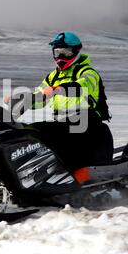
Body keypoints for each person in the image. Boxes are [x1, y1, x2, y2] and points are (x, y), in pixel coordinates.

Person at [29, 32, 114, 169]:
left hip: (88, 124)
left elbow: (82, 87)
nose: (61, 57)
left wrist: (58, 89)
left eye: (65, 52)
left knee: (45, 131)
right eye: (57, 52)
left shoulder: (87, 72)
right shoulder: (53, 76)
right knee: (30, 130)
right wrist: (22, 100)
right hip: (64, 124)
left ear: (76, 51)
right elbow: (39, 96)